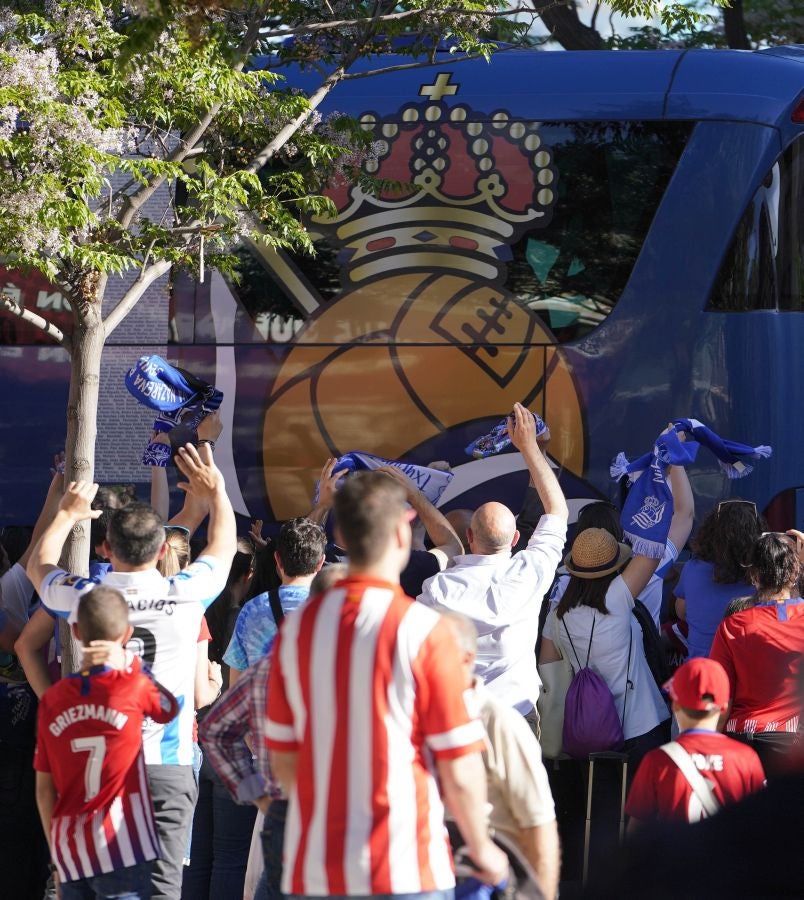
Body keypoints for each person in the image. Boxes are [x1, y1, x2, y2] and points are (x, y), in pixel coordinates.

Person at [266, 470, 508, 897]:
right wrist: (481, 845)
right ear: (401, 531)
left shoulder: (297, 630)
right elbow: (457, 759)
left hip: (319, 866)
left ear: (342, 534)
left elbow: (283, 755)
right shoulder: (425, 631)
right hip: (408, 866)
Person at [27, 443, 237, 900]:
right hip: (166, 766)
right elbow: (222, 548)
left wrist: (66, 515)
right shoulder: (186, 594)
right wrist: (217, 492)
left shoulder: (89, 597)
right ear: (163, 550)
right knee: (162, 889)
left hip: (98, 763)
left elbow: (39, 568)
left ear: (105, 548)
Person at [538, 460, 693, 770]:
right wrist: (668, 465)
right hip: (640, 726)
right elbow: (673, 527)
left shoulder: (559, 611)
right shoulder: (619, 594)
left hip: (586, 728)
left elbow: (548, 666)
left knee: (597, 800)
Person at [418, 403, 569, 716]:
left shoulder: (437, 588)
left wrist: (417, 492)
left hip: (459, 721)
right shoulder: (529, 573)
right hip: (517, 717)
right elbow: (556, 511)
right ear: (515, 540)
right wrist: (530, 448)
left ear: (469, 538)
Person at [34, 586, 179, 900]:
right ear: (127, 634)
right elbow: (168, 708)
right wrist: (132, 662)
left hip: (70, 850)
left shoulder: (52, 700)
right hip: (122, 846)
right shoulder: (132, 685)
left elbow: (44, 791)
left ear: (75, 631)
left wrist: (57, 859)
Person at [445, 612, 560, 900]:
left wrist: (539, 895)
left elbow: (539, 824)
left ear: (467, 660)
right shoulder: (411, 716)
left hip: (489, 885)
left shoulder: (499, 724)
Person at [183, 539, 259, 900]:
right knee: (230, 858)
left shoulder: (192, 611)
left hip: (196, 742)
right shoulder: (247, 619)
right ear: (248, 574)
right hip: (234, 749)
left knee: (196, 858)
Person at [625, 658, 764, 828]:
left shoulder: (657, 761)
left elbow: (636, 831)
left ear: (675, 706)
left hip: (677, 846)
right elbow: (759, 824)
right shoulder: (746, 758)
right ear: (724, 707)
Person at [709, 531, 804, 779]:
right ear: (795, 572)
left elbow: (720, 699)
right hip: (791, 744)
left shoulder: (733, 625)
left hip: (739, 740)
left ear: (754, 575)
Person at [309, 456, 463, 598]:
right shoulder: (411, 567)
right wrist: (415, 496)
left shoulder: (319, 568)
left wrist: (322, 506)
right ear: (399, 533)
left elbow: (301, 547)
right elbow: (454, 548)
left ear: (340, 533)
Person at [224, 518, 326, 681]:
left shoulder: (251, 610)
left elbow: (236, 683)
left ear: (277, 560)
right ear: (320, 563)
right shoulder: (334, 611)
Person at [673, 499, 761, 658]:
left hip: (701, 667)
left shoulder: (692, 568)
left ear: (711, 532)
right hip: (745, 668)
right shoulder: (763, 575)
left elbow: (681, 612)